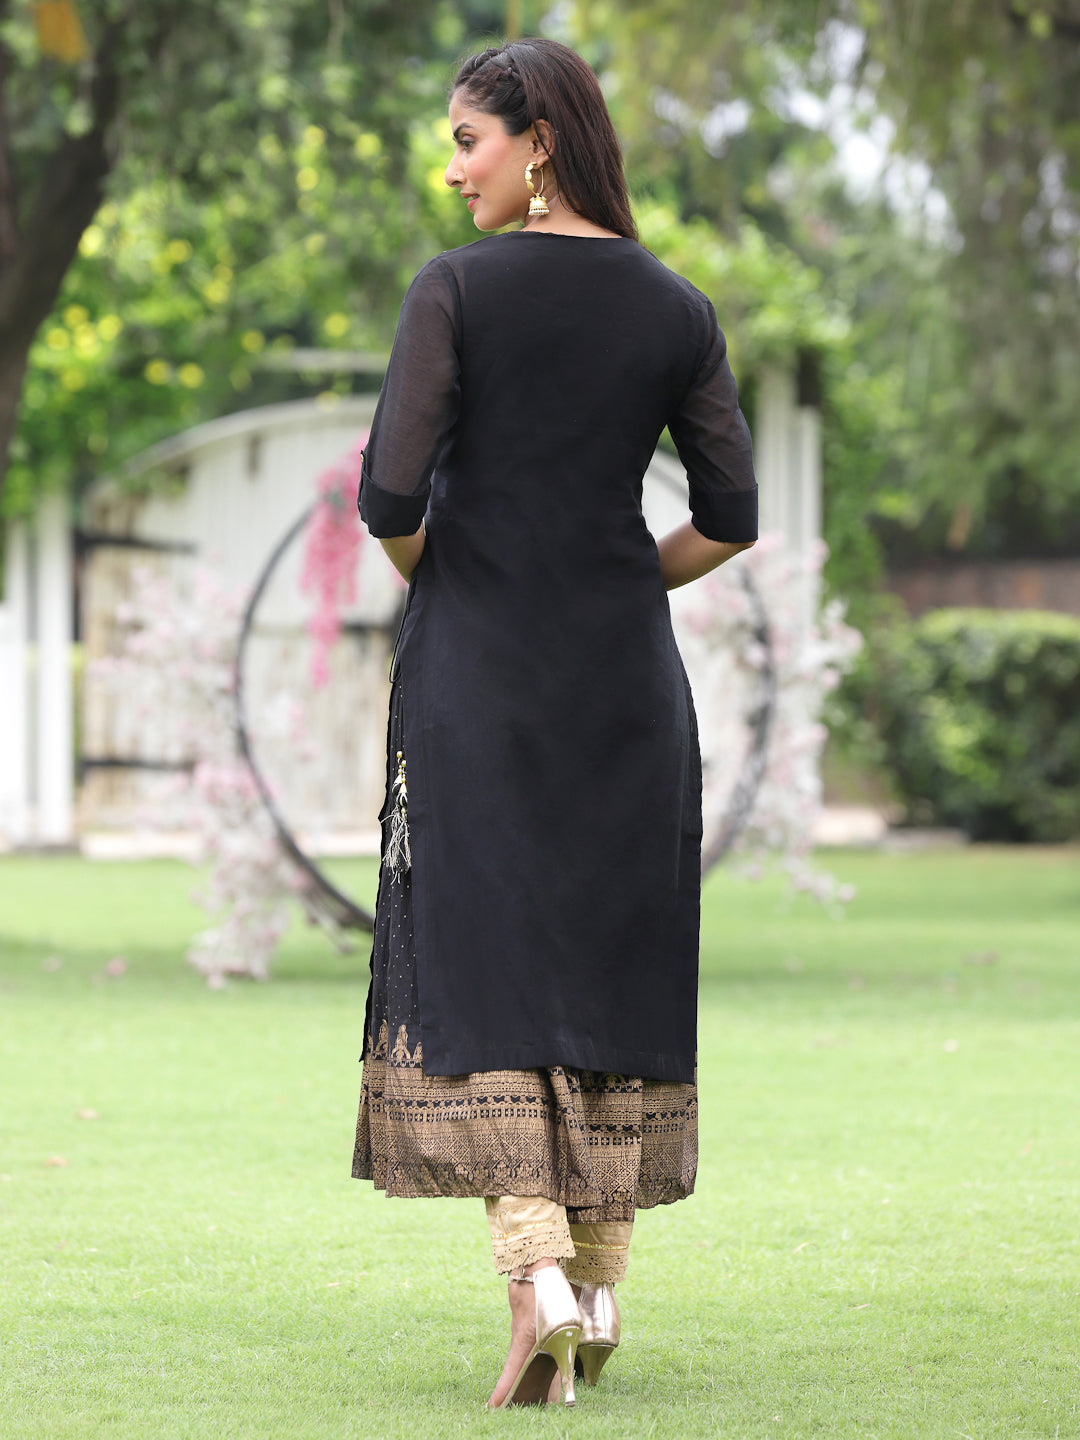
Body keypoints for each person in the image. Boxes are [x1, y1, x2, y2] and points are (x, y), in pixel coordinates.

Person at [351, 37, 757, 1408]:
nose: (450, 168)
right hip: (625, 682)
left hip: (480, 677)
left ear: (538, 145)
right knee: (605, 967)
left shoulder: (456, 290)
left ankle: (536, 1279)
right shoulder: (677, 306)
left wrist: (460, 577)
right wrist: (623, 576)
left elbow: (388, 500)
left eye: (466, 139)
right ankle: (600, 1284)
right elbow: (732, 515)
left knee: (489, 964)